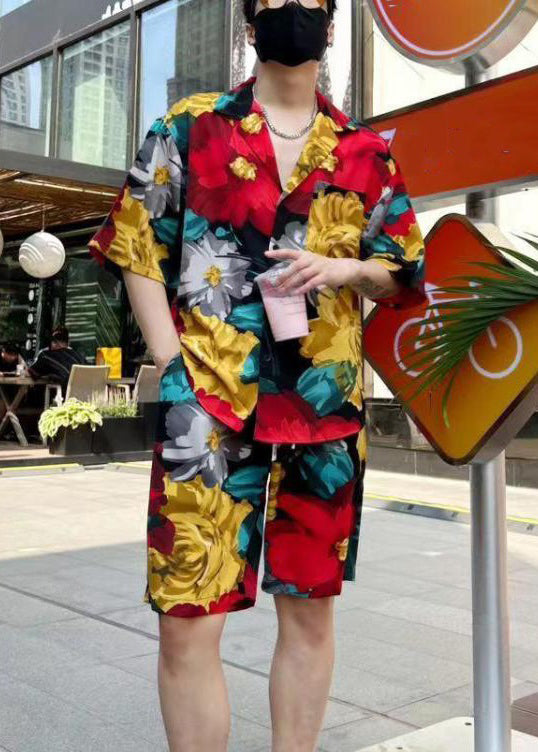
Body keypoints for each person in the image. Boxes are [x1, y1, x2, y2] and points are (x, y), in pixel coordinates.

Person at [88, 1, 426, 749]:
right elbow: (137, 243)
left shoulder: (367, 153)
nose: (290, 14)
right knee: (187, 619)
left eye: (307, 3)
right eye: (273, 2)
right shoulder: (190, 127)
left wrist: (344, 268)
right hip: (207, 404)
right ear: (250, 27)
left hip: (324, 412)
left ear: (329, 27)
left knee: (309, 613)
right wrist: (171, 362)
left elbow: (403, 271)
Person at [27, 326, 86, 392]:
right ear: (68, 343)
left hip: (63, 395)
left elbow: (32, 372)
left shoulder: (46, 356)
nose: (56, 344)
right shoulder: (79, 356)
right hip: (85, 394)